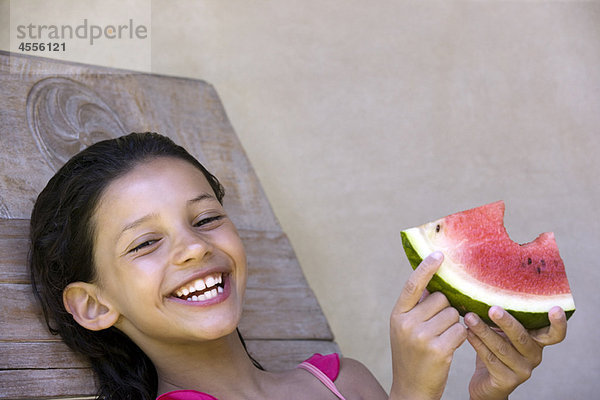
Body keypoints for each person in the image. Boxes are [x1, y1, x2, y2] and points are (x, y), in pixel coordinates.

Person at [29, 132, 568, 400]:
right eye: (145, 243)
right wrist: (412, 393)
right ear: (95, 304)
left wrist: (486, 394)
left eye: (206, 218)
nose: (193, 248)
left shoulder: (344, 381)